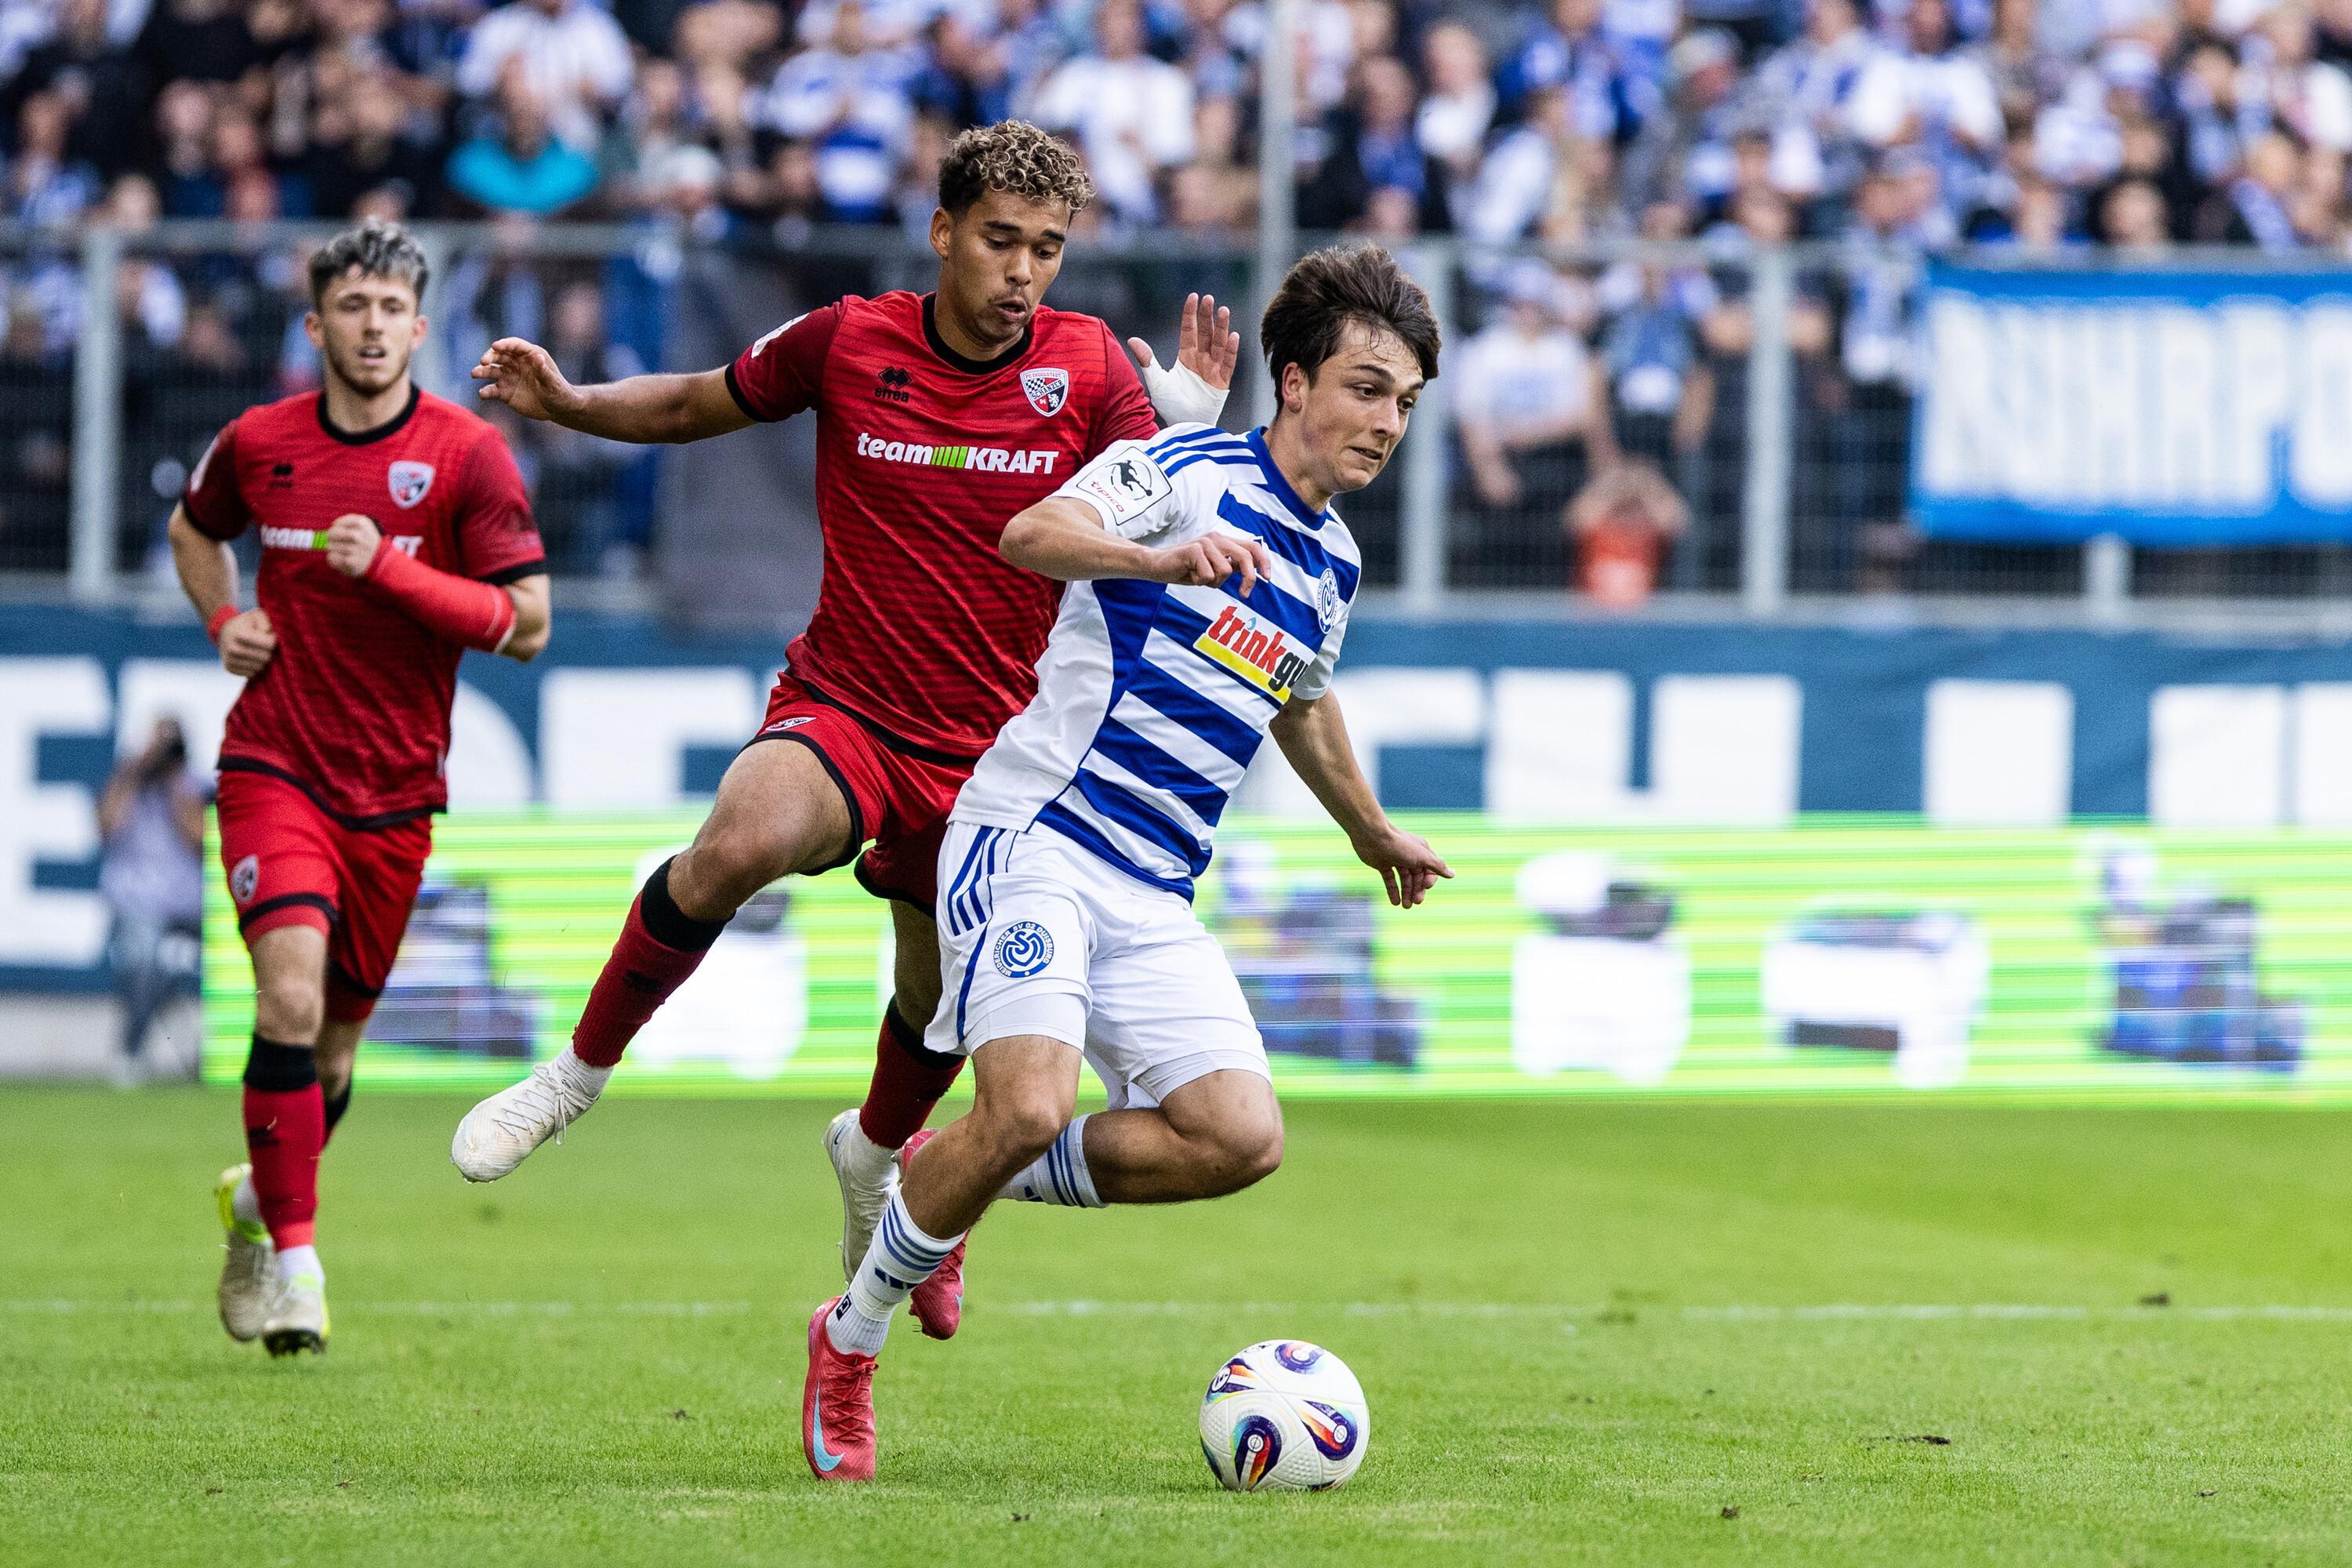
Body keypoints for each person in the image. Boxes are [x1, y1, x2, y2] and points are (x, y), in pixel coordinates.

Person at [449, 122, 1236, 1341]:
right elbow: (694, 403)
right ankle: (572, 1079)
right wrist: (569, 404)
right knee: (737, 844)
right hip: (850, 708)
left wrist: (1188, 436)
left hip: (1002, 768)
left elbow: (1167, 497)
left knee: (934, 1010)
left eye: (1048, 248)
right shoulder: (849, 339)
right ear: (942, 233)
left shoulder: (1086, 369)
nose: (1024, 271)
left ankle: (878, 1162)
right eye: (1000, 241)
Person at [801, 244, 1452, 1482]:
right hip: (1038, 839)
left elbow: (1300, 697)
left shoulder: (1336, 561)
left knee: (1236, 1136)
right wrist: (1161, 556)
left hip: (1153, 891)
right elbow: (1031, 532)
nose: (1387, 422)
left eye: (1407, 403)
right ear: (1298, 381)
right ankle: (850, 1338)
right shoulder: (1188, 470)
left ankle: (947, 1176)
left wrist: (1369, 830)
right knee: (1034, 1103)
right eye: (1368, 389)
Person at [172, 220, 554, 1357]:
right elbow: (197, 532)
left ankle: (258, 1202)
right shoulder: (260, 440)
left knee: (331, 1051)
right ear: (317, 325)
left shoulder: (467, 454)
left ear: (420, 327)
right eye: (353, 307)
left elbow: (526, 628)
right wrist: (223, 616)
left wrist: (391, 568)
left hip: (394, 796)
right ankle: (297, 1263)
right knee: (286, 1003)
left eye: (392, 309)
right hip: (273, 763)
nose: (373, 326)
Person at [96, 716, 208, 1083]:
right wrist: (135, 770)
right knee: (143, 961)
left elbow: (200, 839)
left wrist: (174, 779)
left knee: (159, 968)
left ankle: (134, 1051)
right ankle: (132, 1052)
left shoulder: (191, 786)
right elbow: (107, 825)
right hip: (135, 903)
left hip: (184, 909)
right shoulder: (128, 783)